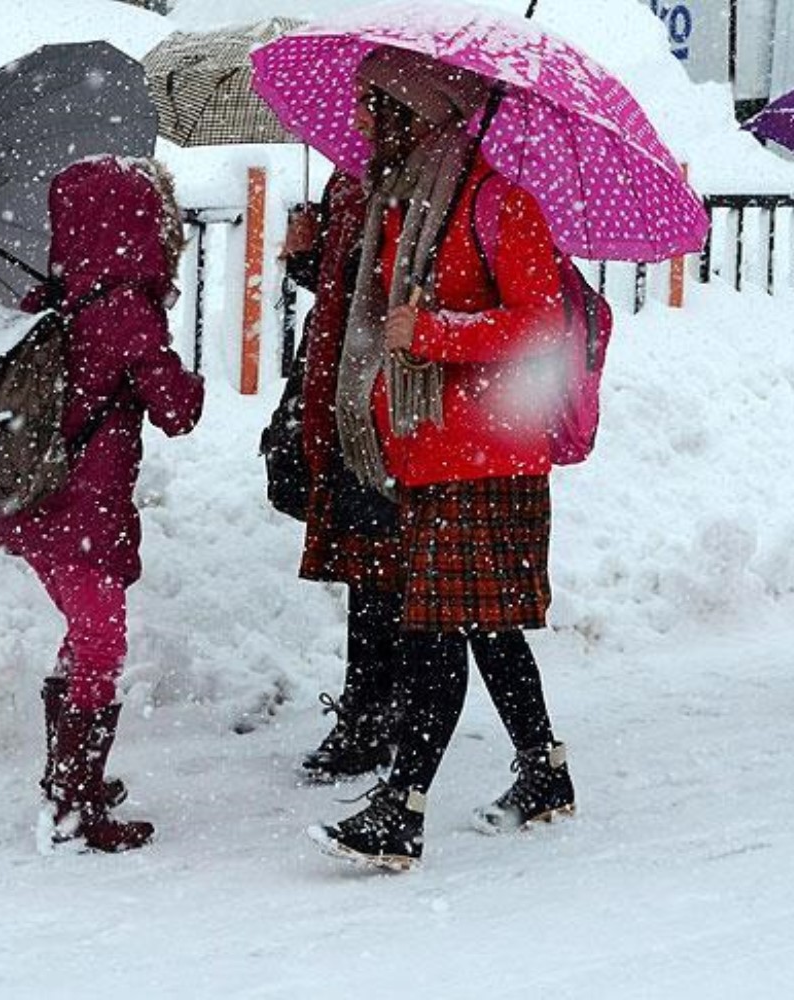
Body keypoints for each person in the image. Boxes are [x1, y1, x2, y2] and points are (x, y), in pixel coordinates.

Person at [308, 47, 576, 870]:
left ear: (416, 114)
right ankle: (545, 772)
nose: (357, 123)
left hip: (486, 457)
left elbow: (543, 328)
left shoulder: (499, 204)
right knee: (487, 628)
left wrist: (433, 335)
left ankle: (403, 808)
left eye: (371, 107)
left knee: (431, 632)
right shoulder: (405, 204)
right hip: (427, 453)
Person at [0, 155, 205, 850]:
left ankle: (68, 780)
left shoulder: (50, 299)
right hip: (82, 507)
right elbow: (177, 412)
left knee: (84, 637)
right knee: (102, 643)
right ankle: (74, 808)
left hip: (36, 499)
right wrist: (181, 375)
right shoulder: (124, 313)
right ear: (139, 225)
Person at [282, 169, 408, 783]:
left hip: (385, 397)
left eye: (368, 102)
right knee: (370, 571)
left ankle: (378, 715)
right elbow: (339, 289)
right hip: (345, 395)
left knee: (385, 568)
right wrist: (308, 253)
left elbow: (389, 288)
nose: (356, 113)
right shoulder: (349, 181)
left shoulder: (407, 184)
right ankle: (375, 709)